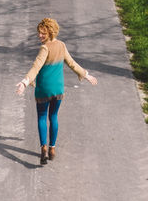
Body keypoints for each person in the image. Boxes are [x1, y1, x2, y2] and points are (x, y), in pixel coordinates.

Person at [14, 17, 97, 165]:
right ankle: (52, 148)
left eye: (43, 34)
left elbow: (36, 66)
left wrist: (25, 82)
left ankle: (44, 149)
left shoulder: (45, 48)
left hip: (44, 89)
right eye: (39, 33)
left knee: (41, 117)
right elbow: (72, 63)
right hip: (58, 89)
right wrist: (86, 75)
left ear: (50, 33)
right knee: (53, 116)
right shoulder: (61, 46)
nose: (40, 36)